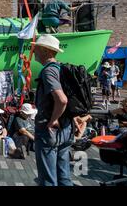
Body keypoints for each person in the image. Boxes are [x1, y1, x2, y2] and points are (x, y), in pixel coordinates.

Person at [32, 34, 74, 186]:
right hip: (66, 128)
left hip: (51, 129)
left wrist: (53, 120)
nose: (34, 50)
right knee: (64, 176)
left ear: (45, 51)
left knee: (48, 179)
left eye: (36, 48)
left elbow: (62, 100)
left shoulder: (48, 71)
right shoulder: (61, 68)